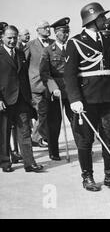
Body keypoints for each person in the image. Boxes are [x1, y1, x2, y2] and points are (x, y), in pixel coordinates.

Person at [64, 2, 110, 191]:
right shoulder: (75, 42)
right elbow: (69, 75)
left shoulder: (108, 41)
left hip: (108, 98)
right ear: (92, 20)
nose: (105, 20)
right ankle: (87, 177)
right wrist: (75, 99)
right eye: (101, 17)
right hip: (86, 100)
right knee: (85, 140)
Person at [0, 25, 44, 173]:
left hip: (22, 99)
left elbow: (24, 77)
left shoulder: (20, 53)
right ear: (2, 37)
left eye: (14, 37)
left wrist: (29, 97)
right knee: (4, 132)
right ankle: (5, 162)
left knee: (24, 131)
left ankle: (29, 163)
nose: (12, 40)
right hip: (5, 100)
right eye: (9, 38)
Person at [39, 17, 73, 161]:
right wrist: (53, 88)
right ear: (56, 32)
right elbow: (44, 73)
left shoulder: (73, 48)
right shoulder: (48, 50)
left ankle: (84, 148)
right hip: (55, 93)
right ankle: (54, 151)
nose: (66, 34)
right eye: (63, 32)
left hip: (72, 91)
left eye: (67, 31)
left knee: (77, 121)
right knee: (54, 124)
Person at [25, 20, 55, 148]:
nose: (48, 29)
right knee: (43, 112)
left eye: (48, 27)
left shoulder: (54, 43)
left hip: (51, 85)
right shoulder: (30, 45)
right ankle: (36, 137)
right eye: (45, 27)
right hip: (35, 85)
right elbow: (24, 64)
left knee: (50, 113)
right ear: (37, 30)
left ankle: (43, 137)